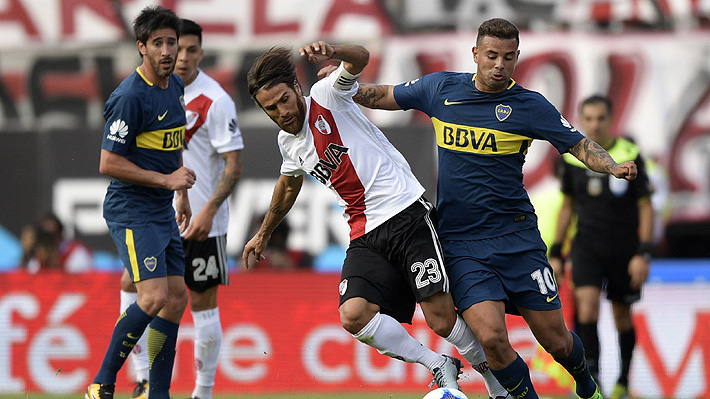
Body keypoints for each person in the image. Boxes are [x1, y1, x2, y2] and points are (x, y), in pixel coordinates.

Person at [350, 18, 640, 399]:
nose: (499, 64)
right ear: (475, 54)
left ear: (517, 57)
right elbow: (381, 95)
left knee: (556, 341)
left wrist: (613, 166)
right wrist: (339, 86)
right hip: (461, 242)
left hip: (517, 238)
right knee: (491, 338)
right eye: (491, 56)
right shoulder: (441, 89)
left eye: (507, 57)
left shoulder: (531, 106)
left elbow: (579, 144)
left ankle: (587, 383)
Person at [243, 43, 509, 398]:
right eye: (270, 108)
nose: (281, 111)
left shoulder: (327, 96)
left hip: (406, 215)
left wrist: (334, 50)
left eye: (283, 99)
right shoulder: (288, 143)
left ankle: (497, 388)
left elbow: (361, 59)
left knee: (441, 320)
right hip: (364, 234)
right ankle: (437, 364)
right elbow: (289, 184)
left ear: (296, 85)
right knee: (353, 315)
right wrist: (263, 234)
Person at [119, 18, 244, 399]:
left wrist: (208, 209)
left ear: (201, 53)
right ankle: (143, 382)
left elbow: (234, 166)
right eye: (176, 47)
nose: (181, 56)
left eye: (190, 49)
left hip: (204, 223)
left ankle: (202, 393)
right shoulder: (152, 90)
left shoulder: (216, 100)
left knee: (201, 303)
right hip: (158, 215)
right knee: (131, 286)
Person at [86, 6, 195, 399]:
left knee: (177, 298)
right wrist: (167, 180)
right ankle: (102, 382)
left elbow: (173, 142)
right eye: (158, 43)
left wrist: (179, 192)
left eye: (172, 42)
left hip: (162, 208)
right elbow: (108, 162)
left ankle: (157, 393)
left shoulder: (176, 87)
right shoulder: (130, 96)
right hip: (131, 208)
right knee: (153, 297)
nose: (168, 51)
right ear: (141, 48)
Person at [548, 95, 654, 399]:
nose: (595, 124)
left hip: (624, 249)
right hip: (586, 247)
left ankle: (623, 380)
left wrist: (644, 253)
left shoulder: (630, 154)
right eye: (589, 119)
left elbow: (646, 207)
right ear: (581, 121)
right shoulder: (572, 157)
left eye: (600, 118)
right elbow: (566, 206)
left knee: (622, 315)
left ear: (611, 119)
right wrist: (556, 251)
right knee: (587, 307)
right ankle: (591, 380)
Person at [20, 212, 94, 273]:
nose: (48, 242)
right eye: (44, 238)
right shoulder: (35, 260)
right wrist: (27, 254)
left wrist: (54, 259)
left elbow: (80, 283)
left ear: (60, 234)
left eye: (52, 236)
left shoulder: (76, 253)